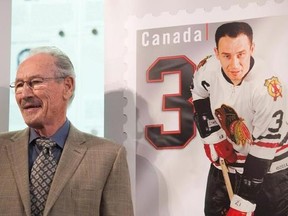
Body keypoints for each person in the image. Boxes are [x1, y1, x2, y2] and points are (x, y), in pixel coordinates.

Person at [0, 46, 134, 216]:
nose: (25, 93)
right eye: (19, 85)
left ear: (67, 86)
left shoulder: (109, 157)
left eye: (35, 82)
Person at [191, 22, 288, 216]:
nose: (234, 65)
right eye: (226, 56)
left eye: (241, 54)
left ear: (252, 49)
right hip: (227, 164)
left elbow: (264, 149)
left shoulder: (267, 89)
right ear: (216, 53)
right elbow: (199, 95)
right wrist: (214, 137)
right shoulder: (207, 70)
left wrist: (243, 203)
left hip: (270, 171)